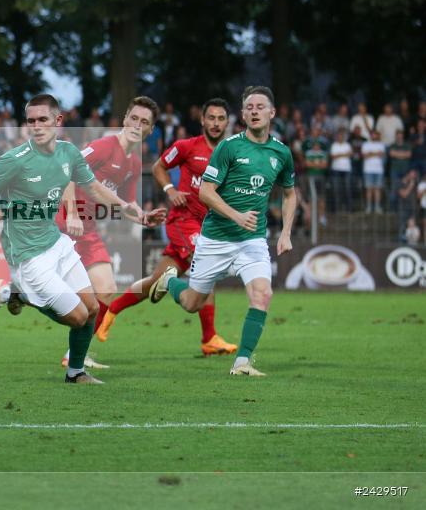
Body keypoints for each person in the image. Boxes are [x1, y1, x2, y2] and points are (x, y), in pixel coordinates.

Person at [0, 94, 162, 385]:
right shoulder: (14, 160)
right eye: (31, 121)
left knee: (94, 307)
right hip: (28, 254)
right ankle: (19, 293)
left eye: (43, 120)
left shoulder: (69, 153)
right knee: (76, 316)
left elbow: (95, 188)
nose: (36, 126)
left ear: (58, 121)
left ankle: (75, 373)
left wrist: (129, 209)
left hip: (58, 243)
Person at [148, 86, 296, 377]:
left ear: (272, 113)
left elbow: (290, 194)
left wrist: (286, 232)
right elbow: (205, 191)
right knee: (192, 303)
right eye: (249, 107)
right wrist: (236, 215)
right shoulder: (229, 147)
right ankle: (170, 283)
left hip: (252, 240)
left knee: (262, 294)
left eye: (259, 106)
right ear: (243, 115)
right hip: (215, 238)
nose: (254, 111)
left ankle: (242, 362)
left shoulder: (281, 153)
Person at [98, 98, 237, 356]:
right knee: (208, 267)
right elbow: (159, 166)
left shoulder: (232, 153)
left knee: (153, 281)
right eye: (211, 118)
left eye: (221, 119)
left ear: (227, 122)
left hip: (208, 226)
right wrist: (170, 189)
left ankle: (112, 310)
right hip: (184, 221)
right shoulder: (187, 146)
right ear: (202, 120)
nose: (216, 123)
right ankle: (209, 337)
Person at [51, 96, 169, 367]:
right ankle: (10, 293)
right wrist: (72, 212)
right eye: (134, 118)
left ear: (151, 131)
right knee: (48, 292)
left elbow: (127, 203)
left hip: (87, 228)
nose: (138, 125)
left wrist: (143, 216)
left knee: (106, 289)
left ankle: (75, 357)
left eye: (145, 122)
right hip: (61, 222)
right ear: (125, 118)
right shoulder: (105, 146)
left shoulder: (135, 163)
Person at [361, 131, 386, 213]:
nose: (374, 136)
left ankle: (377, 207)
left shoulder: (381, 145)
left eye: (375, 135)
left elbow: (381, 155)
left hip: (379, 170)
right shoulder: (365, 144)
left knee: (377, 189)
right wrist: (376, 153)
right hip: (368, 169)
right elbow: (364, 156)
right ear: (370, 135)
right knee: (369, 189)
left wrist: (370, 153)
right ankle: (369, 207)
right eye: (372, 135)